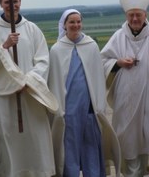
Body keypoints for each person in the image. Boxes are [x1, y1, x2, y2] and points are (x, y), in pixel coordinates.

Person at [0, 0, 58, 177]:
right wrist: (4, 47)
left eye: (15, 1)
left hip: (29, 93)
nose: (12, 5)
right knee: (8, 139)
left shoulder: (32, 29)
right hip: (5, 97)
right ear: (1, 4)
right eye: (7, 2)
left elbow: (42, 60)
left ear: (20, 2)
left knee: (35, 138)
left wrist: (27, 82)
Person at [100, 0, 149, 177]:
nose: (135, 19)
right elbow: (103, 61)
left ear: (145, 15)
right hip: (126, 102)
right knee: (128, 141)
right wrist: (118, 62)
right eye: (131, 15)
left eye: (138, 15)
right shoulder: (118, 37)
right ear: (126, 16)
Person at [48, 9, 121, 177]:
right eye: (71, 22)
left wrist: (99, 105)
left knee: (91, 147)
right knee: (70, 150)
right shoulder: (57, 50)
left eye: (78, 21)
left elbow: (97, 77)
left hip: (89, 107)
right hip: (68, 109)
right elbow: (54, 81)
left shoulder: (91, 46)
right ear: (64, 25)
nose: (75, 25)